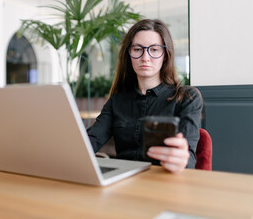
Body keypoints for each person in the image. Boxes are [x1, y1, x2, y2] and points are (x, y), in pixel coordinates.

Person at [87, 19, 203, 173]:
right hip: (123, 183)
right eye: (137, 49)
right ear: (129, 54)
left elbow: (188, 162)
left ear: (165, 55)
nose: (145, 57)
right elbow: (90, 142)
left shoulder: (187, 98)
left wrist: (181, 158)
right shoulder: (117, 101)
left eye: (154, 50)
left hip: (165, 184)